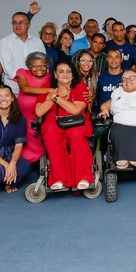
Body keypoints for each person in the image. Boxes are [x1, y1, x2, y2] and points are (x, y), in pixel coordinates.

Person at [34, 61, 92, 189]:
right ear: (55, 74)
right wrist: (51, 96)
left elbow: (76, 110)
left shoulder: (80, 87)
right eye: (61, 71)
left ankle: (83, 177)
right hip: (53, 121)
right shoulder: (47, 87)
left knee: (76, 134)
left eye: (68, 71)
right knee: (50, 133)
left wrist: (56, 98)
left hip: (76, 121)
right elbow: (39, 111)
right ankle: (59, 178)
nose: (65, 74)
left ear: (72, 74)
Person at [15, 52, 51, 164]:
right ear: (28, 67)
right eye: (34, 66)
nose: (38, 68)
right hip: (25, 118)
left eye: (42, 65)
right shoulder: (22, 73)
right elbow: (25, 88)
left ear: (47, 66)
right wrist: (51, 90)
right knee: (26, 148)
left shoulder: (52, 77)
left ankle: (43, 163)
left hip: (44, 117)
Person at [0, 11, 45, 95]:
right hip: (13, 89)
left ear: (29, 25)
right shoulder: (5, 42)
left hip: (36, 87)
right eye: (14, 22)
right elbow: (7, 67)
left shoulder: (37, 42)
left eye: (21, 23)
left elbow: (43, 64)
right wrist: (24, 81)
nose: (17, 25)